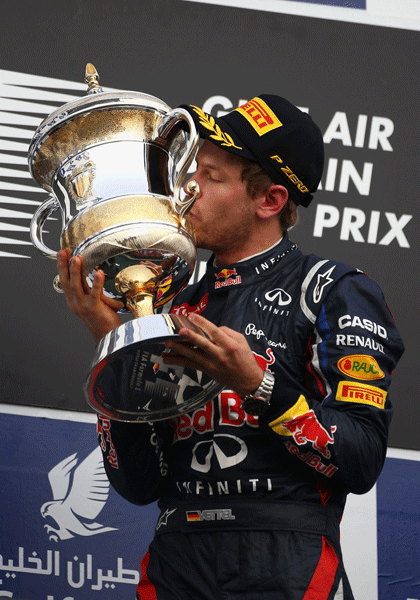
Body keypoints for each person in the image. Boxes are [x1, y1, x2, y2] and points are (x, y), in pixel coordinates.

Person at [57, 95, 404, 600]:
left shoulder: (331, 290)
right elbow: (138, 485)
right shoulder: (167, 303)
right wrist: (116, 342)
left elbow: (360, 459)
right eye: (189, 171)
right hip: (177, 557)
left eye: (212, 177)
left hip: (286, 558)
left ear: (270, 201)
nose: (186, 188)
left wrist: (257, 384)